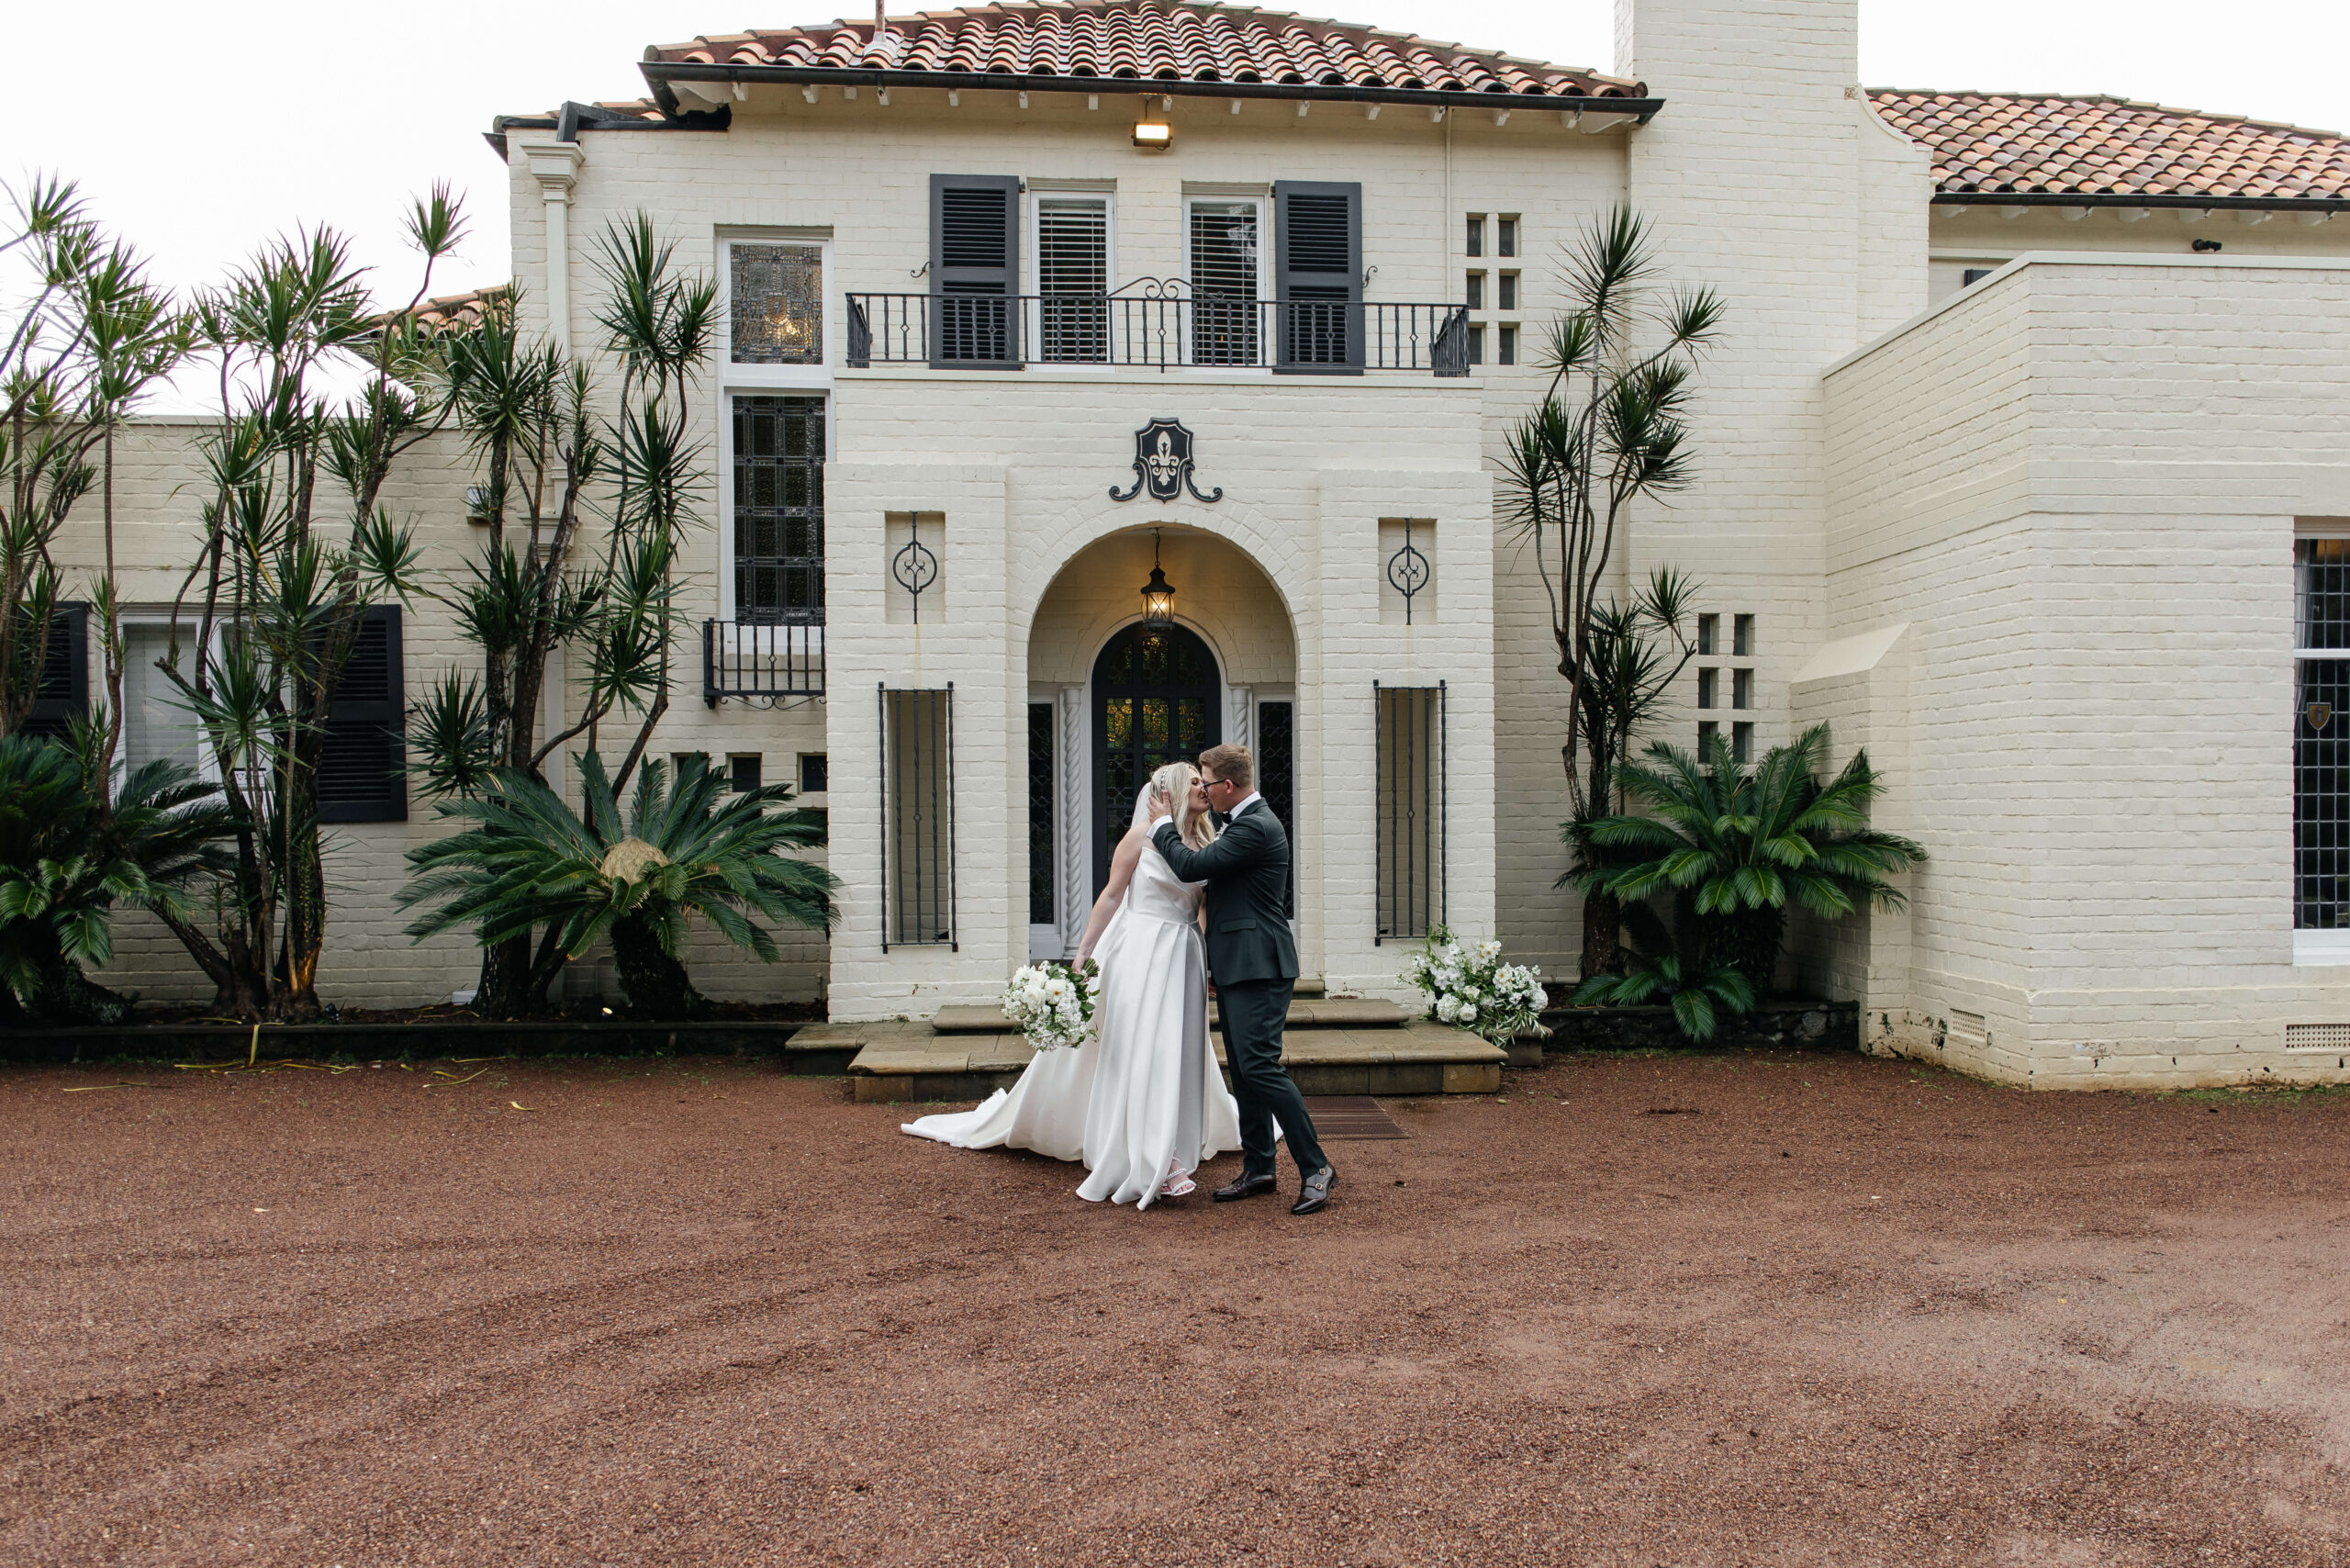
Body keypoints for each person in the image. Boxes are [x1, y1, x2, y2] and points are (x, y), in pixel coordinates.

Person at [901, 763, 1242, 1210]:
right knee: (1144, 1050)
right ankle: (1154, 1155)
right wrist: (1082, 952)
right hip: (1141, 952)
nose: (1203, 787)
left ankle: (1169, 1138)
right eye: (1194, 782)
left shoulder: (1205, 842)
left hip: (1185, 957)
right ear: (1173, 791)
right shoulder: (1140, 836)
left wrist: (1211, 961)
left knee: (1177, 1051)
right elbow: (1112, 895)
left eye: (1204, 780)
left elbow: (1200, 907)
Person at [1149, 744, 1335, 1215]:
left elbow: (1190, 866)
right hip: (1237, 964)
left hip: (1262, 965)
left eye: (1207, 782)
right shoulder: (1243, 824)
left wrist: (1159, 827)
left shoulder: (1256, 826)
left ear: (1227, 786)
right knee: (1246, 1073)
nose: (1205, 791)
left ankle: (1316, 1167)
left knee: (1261, 1068)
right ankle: (1260, 1168)